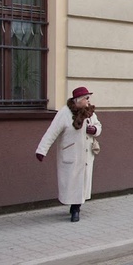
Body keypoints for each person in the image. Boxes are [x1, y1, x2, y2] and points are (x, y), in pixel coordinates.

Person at [36, 86, 102, 222]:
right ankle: (74, 208)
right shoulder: (64, 113)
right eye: (86, 98)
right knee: (72, 183)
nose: (88, 101)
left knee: (82, 182)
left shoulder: (89, 113)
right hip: (71, 154)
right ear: (78, 100)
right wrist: (41, 150)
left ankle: (76, 208)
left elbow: (99, 126)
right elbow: (51, 132)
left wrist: (94, 129)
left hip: (86, 155)